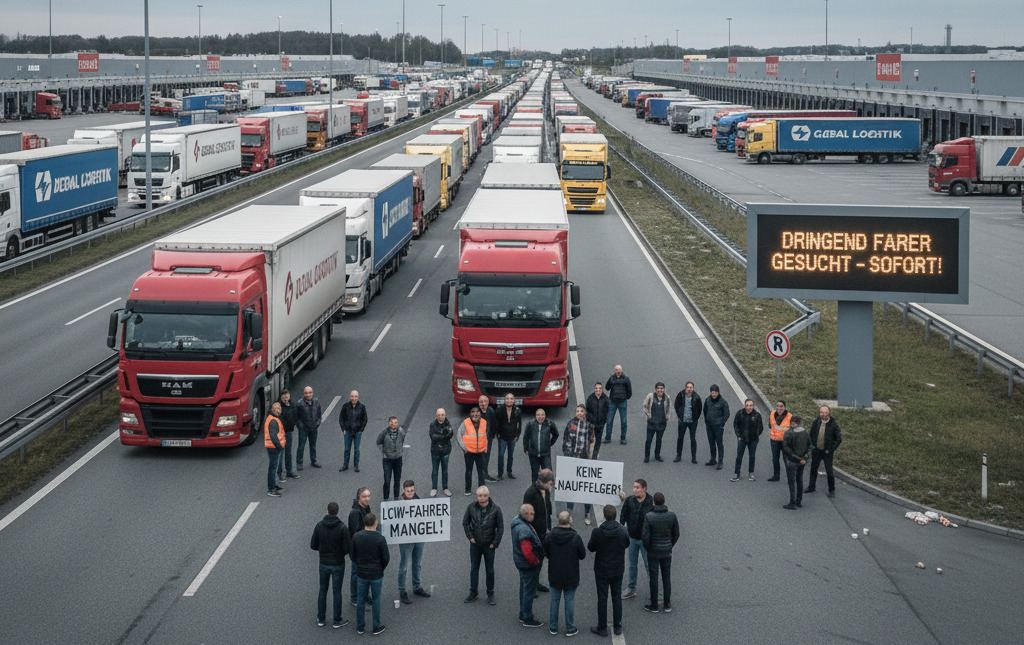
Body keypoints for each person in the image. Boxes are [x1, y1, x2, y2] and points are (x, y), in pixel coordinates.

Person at [588, 504, 630, 637]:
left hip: (602, 569)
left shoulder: (597, 532)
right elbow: (627, 544)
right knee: (616, 596)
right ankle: (618, 626)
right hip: (617, 569)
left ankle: (602, 627)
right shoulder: (623, 531)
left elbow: (591, 548)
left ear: (604, 516)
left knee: (602, 598)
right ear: (615, 515)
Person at [544, 511, 586, 636]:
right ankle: (570, 627)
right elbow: (582, 555)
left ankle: (553, 627)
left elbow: (546, 552)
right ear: (570, 521)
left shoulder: (550, 536)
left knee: (554, 600)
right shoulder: (575, 537)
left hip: (554, 573)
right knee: (569, 600)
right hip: (570, 574)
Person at [310, 501, 351, 628]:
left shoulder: (319, 526)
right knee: (337, 591)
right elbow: (347, 548)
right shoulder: (343, 528)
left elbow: (313, 545)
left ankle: (321, 618)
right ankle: (337, 620)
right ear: (337, 512)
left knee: (323, 589)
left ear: (327, 510)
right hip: (338, 563)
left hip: (324, 563)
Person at [463, 486, 504, 605]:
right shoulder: (471, 507)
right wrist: (470, 537)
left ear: (488, 495)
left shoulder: (496, 509)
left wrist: (494, 543)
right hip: (475, 545)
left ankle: (490, 593)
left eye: (484, 496)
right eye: (479, 496)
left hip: (489, 545)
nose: (482, 498)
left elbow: (500, 528)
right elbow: (465, 523)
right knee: (474, 569)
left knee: (490, 570)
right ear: (477, 496)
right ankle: (473, 592)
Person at [351, 512, 389, 635]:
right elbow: (386, 558)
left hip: (362, 573)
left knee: (361, 599)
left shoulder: (357, 536)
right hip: (376, 573)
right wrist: (380, 568)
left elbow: (352, 555)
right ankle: (376, 626)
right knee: (376, 599)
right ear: (375, 523)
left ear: (364, 523)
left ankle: (360, 627)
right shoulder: (380, 538)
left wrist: (359, 564)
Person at [641, 492, 680, 613]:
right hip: (666, 551)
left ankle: (654, 605)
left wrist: (649, 548)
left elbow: (645, 536)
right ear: (664, 502)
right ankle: (667, 604)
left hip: (653, 551)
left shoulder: (649, 516)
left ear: (654, 502)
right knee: (666, 577)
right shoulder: (672, 516)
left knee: (654, 578)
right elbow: (676, 534)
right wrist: (669, 545)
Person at [396, 481, 432, 602]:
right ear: (404, 491)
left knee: (417, 563)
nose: (410, 493)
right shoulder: (399, 503)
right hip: (406, 539)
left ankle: (416, 587)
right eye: (408, 491)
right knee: (404, 565)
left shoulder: (418, 500)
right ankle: (402, 590)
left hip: (419, 537)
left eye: (412, 490)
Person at [618, 479, 653, 599]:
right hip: (632, 538)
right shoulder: (629, 501)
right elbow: (622, 518)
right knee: (632, 565)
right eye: (634, 487)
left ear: (645, 489)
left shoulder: (651, 502)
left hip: (646, 540)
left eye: (637, 487)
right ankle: (631, 588)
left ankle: (654, 590)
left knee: (649, 566)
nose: (635, 490)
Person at [511, 503, 545, 628]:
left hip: (521, 563)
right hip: (528, 565)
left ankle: (522, 613)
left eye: (533, 514)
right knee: (529, 591)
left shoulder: (517, 522)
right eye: (530, 514)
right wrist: (536, 562)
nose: (532, 516)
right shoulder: (524, 529)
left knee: (524, 589)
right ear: (525, 514)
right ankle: (527, 617)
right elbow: (527, 552)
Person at [562, 404, 596, 525]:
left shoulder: (589, 426)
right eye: (577, 411)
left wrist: (591, 457)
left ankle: (587, 513)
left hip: (584, 460)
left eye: (582, 411)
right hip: (572, 460)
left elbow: (593, 441)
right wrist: (566, 457)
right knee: (571, 487)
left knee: (585, 489)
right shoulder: (571, 424)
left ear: (585, 412)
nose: (579, 413)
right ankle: (569, 513)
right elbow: (565, 440)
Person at [523, 468, 555, 593]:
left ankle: (536, 583)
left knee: (540, 559)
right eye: (549, 483)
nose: (550, 485)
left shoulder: (545, 491)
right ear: (543, 482)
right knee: (533, 561)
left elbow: (548, 506)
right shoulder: (530, 493)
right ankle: (531, 586)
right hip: (535, 532)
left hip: (544, 530)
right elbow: (526, 515)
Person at [806, 406, 842, 498]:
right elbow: (811, 434)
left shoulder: (833, 425)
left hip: (827, 452)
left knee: (829, 471)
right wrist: (812, 446)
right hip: (817, 450)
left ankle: (831, 490)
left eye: (825, 412)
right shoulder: (816, 422)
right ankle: (811, 486)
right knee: (813, 469)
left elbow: (838, 439)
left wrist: (830, 450)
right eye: (821, 412)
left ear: (829, 413)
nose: (823, 414)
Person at [348, 487, 372, 606]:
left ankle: (365, 594)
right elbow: (355, 532)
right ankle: (354, 597)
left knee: (366, 572)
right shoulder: (355, 513)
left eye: (368, 496)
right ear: (359, 497)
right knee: (356, 573)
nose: (367, 499)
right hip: (357, 549)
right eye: (364, 496)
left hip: (366, 546)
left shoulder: (366, 508)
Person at [523, 408, 559, 484]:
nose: (540, 417)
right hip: (533, 454)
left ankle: (546, 492)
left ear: (545, 416)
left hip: (545, 455)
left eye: (542, 415)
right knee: (535, 475)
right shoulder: (530, 424)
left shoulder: (550, 424)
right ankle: (535, 492)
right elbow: (526, 436)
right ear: (535, 416)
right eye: (538, 415)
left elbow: (556, 434)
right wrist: (525, 448)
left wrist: (550, 443)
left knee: (548, 475)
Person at [731, 399, 764, 482]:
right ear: (745, 405)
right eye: (747, 405)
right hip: (742, 439)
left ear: (753, 406)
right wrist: (738, 436)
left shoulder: (757, 415)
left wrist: (755, 436)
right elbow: (735, 425)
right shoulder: (740, 413)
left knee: (752, 457)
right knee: (739, 457)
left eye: (750, 405)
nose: (749, 407)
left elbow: (760, 428)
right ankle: (737, 473)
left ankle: (751, 473)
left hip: (753, 440)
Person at [458, 407, 489, 495]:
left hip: (480, 452)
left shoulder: (484, 422)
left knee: (481, 471)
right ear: (470, 414)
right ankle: (468, 490)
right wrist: (464, 448)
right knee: (469, 471)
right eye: (472, 412)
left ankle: (482, 488)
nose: (475, 414)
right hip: (469, 452)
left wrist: (485, 447)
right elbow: (459, 435)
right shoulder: (465, 423)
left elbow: (485, 435)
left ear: (480, 413)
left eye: (477, 412)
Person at [782, 416, 810, 509]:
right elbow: (810, 447)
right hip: (802, 462)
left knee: (791, 482)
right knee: (799, 480)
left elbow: (786, 448)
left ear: (791, 423)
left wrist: (798, 458)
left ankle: (792, 502)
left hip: (792, 461)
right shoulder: (805, 433)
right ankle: (799, 501)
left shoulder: (788, 433)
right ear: (799, 423)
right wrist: (804, 458)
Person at [376, 416, 407, 500]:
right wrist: (384, 451)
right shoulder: (384, 432)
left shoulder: (401, 431)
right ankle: (386, 498)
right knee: (387, 480)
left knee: (397, 480)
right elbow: (378, 442)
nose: (394, 424)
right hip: (387, 460)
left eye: (395, 422)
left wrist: (399, 450)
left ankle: (396, 497)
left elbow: (402, 440)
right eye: (392, 422)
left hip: (398, 459)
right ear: (389, 423)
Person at [493, 393, 522, 480]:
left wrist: (517, 435)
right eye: (507, 399)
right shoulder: (499, 409)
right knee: (501, 455)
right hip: (502, 437)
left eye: (511, 399)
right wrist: (497, 434)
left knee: (511, 456)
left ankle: (509, 472)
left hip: (512, 437)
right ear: (505, 400)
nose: (509, 400)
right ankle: (500, 474)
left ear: (514, 400)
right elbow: (495, 422)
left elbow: (519, 424)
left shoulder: (517, 410)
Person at [672, 381, 703, 464]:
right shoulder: (680, 395)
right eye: (688, 387)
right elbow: (676, 405)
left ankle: (694, 457)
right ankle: (678, 456)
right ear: (685, 388)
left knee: (693, 439)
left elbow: (700, 409)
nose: (689, 389)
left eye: (691, 387)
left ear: (693, 388)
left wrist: (695, 418)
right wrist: (680, 416)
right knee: (680, 438)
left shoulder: (697, 397)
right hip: (683, 421)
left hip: (692, 422)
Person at [642, 382, 672, 463]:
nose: (660, 390)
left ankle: (657, 455)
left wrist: (667, 417)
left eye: (662, 388)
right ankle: (647, 456)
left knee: (659, 440)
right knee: (648, 440)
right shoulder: (650, 396)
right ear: (655, 389)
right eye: (658, 388)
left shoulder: (667, 398)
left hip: (661, 424)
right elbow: (645, 405)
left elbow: (669, 408)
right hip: (651, 423)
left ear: (664, 389)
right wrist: (648, 415)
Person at [295, 386, 323, 470]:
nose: (308, 395)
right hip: (303, 429)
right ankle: (299, 462)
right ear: (304, 394)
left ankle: (313, 461)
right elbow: (296, 417)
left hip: (314, 428)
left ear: (312, 393)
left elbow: (319, 414)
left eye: (310, 392)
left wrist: (317, 424)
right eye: (306, 393)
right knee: (301, 446)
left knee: (313, 446)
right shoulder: (299, 403)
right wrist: (301, 426)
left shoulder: (316, 401)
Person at [339, 390, 367, 472]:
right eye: (352, 396)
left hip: (357, 431)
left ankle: (356, 465)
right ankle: (345, 465)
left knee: (357, 449)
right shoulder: (345, 406)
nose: (353, 398)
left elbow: (364, 419)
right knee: (347, 449)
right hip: (348, 431)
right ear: (350, 397)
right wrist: (343, 428)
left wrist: (361, 429)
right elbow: (341, 418)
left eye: (355, 396)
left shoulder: (362, 407)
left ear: (358, 397)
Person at [428, 408, 454, 497]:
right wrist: (443, 436)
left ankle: (445, 488)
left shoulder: (448, 424)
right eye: (439, 415)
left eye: (442, 415)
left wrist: (440, 436)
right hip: (435, 451)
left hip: (446, 451)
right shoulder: (432, 425)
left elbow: (450, 434)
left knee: (445, 470)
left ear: (445, 415)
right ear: (436, 415)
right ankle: (434, 488)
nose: (441, 416)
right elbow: (432, 436)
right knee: (435, 470)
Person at [703, 385, 730, 469]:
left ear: (718, 392)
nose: (713, 394)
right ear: (710, 392)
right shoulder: (707, 400)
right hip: (709, 426)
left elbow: (727, 414)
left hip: (718, 427)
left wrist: (722, 423)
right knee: (711, 443)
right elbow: (705, 411)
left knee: (719, 444)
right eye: (712, 393)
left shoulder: (723, 402)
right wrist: (707, 421)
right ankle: (713, 459)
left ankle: (720, 462)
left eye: (715, 393)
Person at [605, 365, 633, 444]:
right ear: (615, 370)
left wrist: (625, 398)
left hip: (622, 402)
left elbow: (629, 391)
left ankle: (623, 438)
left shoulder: (626, 379)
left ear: (622, 370)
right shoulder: (611, 378)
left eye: (619, 370)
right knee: (609, 420)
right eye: (617, 370)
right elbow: (607, 387)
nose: (618, 371)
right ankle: (608, 438)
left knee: (623, 421)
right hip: (612, 402)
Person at [277, 390, 299, 482]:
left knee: (288, 452)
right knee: (280, 454)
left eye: (287, 396)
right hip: (281, 433)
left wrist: (293, 423)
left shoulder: (292, 405)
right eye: (284, 397)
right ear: (281, 397)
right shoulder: (278, 407)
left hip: (289, 432)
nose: (286, 398)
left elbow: (295, 416)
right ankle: (280, 473)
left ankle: (289, 471)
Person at [768, 400, 792, 482]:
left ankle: (790, 477)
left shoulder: (790, 417)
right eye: (777, 406)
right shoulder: (772, 414)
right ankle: (776, 476)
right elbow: (770, 425)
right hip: (774, 441)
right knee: (775, 459)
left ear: (785, 407)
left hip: (785, 442)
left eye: (781, 406)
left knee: (786, 460)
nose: (779, 408)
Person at [265, 401, 285, 497]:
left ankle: (273, 485)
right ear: (273, 410)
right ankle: (271, 489)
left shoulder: (272, 418)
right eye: (276, 409)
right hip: (274, 448)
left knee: (274, 467)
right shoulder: (273, 421)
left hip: (272, 447)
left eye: (279, 409)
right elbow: (273, 436)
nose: (278, 411)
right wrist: (279, 446)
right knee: (273, 468)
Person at [585, 383, 610, 459]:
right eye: (596, 388)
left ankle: (594, 456)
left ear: (602, 390)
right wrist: (590, 420)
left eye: (599, 388)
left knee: (598, 441)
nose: (598, 390)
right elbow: (587, 411)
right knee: (590, 440)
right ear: (594, 389)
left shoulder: (605, 399)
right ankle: (588, 455)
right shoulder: (590, 398)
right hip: (592, 424)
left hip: (600, 424)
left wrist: (604, 420)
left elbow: (608, 411)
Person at [478, 395, 499, 482]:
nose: (483, 404)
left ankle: (485, 474)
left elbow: (494, 423)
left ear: (488, 403)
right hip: (478, 439)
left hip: (488, 438)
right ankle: (482, 475)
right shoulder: (475, 412)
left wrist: (492, 435)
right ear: (478, 404)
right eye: (481, 402)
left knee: (486, 456)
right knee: (480, 457)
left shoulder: (490, 411)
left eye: (485, 402)